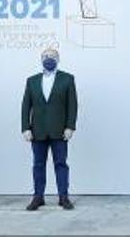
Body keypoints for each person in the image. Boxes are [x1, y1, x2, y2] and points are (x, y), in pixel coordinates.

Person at [21, 47, 78, 211]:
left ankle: (64, 197)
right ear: (41, 59)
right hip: (37, 131)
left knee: (61, 164)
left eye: (52, 56)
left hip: (59, 131)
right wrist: (25, 128)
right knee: (38, 165)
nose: (49, 58)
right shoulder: (32, 80)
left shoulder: (67, 79)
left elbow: (72, 105)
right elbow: (26, 106)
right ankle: (38, 197)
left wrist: (70, 126)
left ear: (58, 59)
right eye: (46, 56)